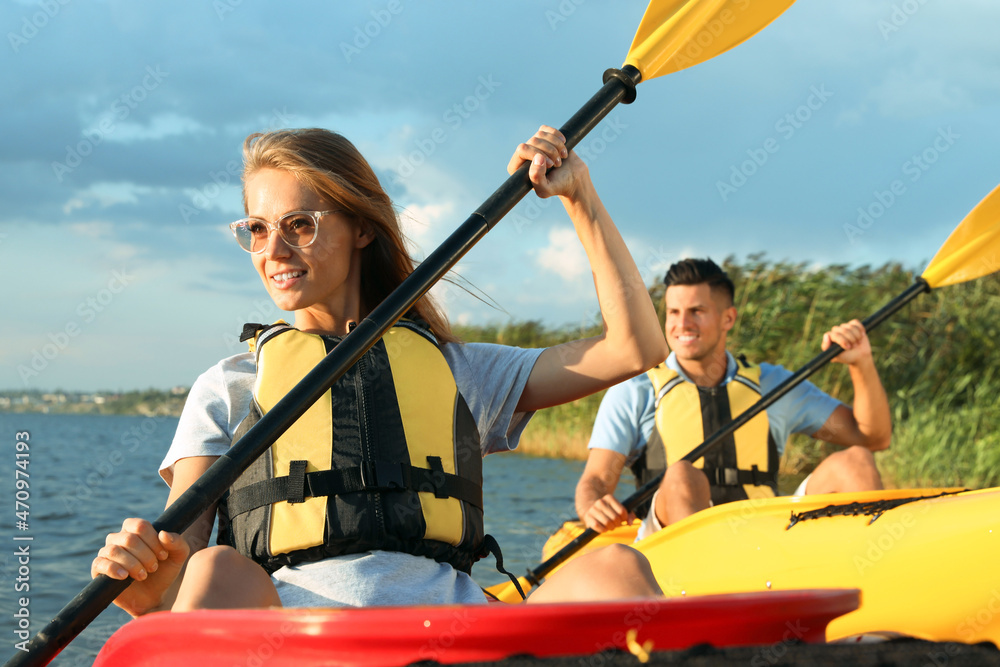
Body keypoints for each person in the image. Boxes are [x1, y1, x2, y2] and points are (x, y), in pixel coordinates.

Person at [91, 125, 670, 615]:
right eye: (257, 229)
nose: (273, 251)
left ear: (361, 228)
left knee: (616, 567)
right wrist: (145, 578)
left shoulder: (454, 367)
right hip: (298, 640)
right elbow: (177, 571)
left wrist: (580, 196)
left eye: (299, 224)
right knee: (217, 566)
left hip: (452, 633)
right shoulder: (229, 386)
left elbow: (634, 347)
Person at [576, 258, 892, 539]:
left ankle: (873, 584)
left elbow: (872, 436)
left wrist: (861, 364)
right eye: (674, 312)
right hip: (669, 542)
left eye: (696, 312)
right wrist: (594, 505)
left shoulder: (774, 385)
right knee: (683, 475)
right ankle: (708, 588)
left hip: (766, 532)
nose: (681, 324)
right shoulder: (637, 389)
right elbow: (596, 480)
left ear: (728, 319)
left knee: (856, 461)